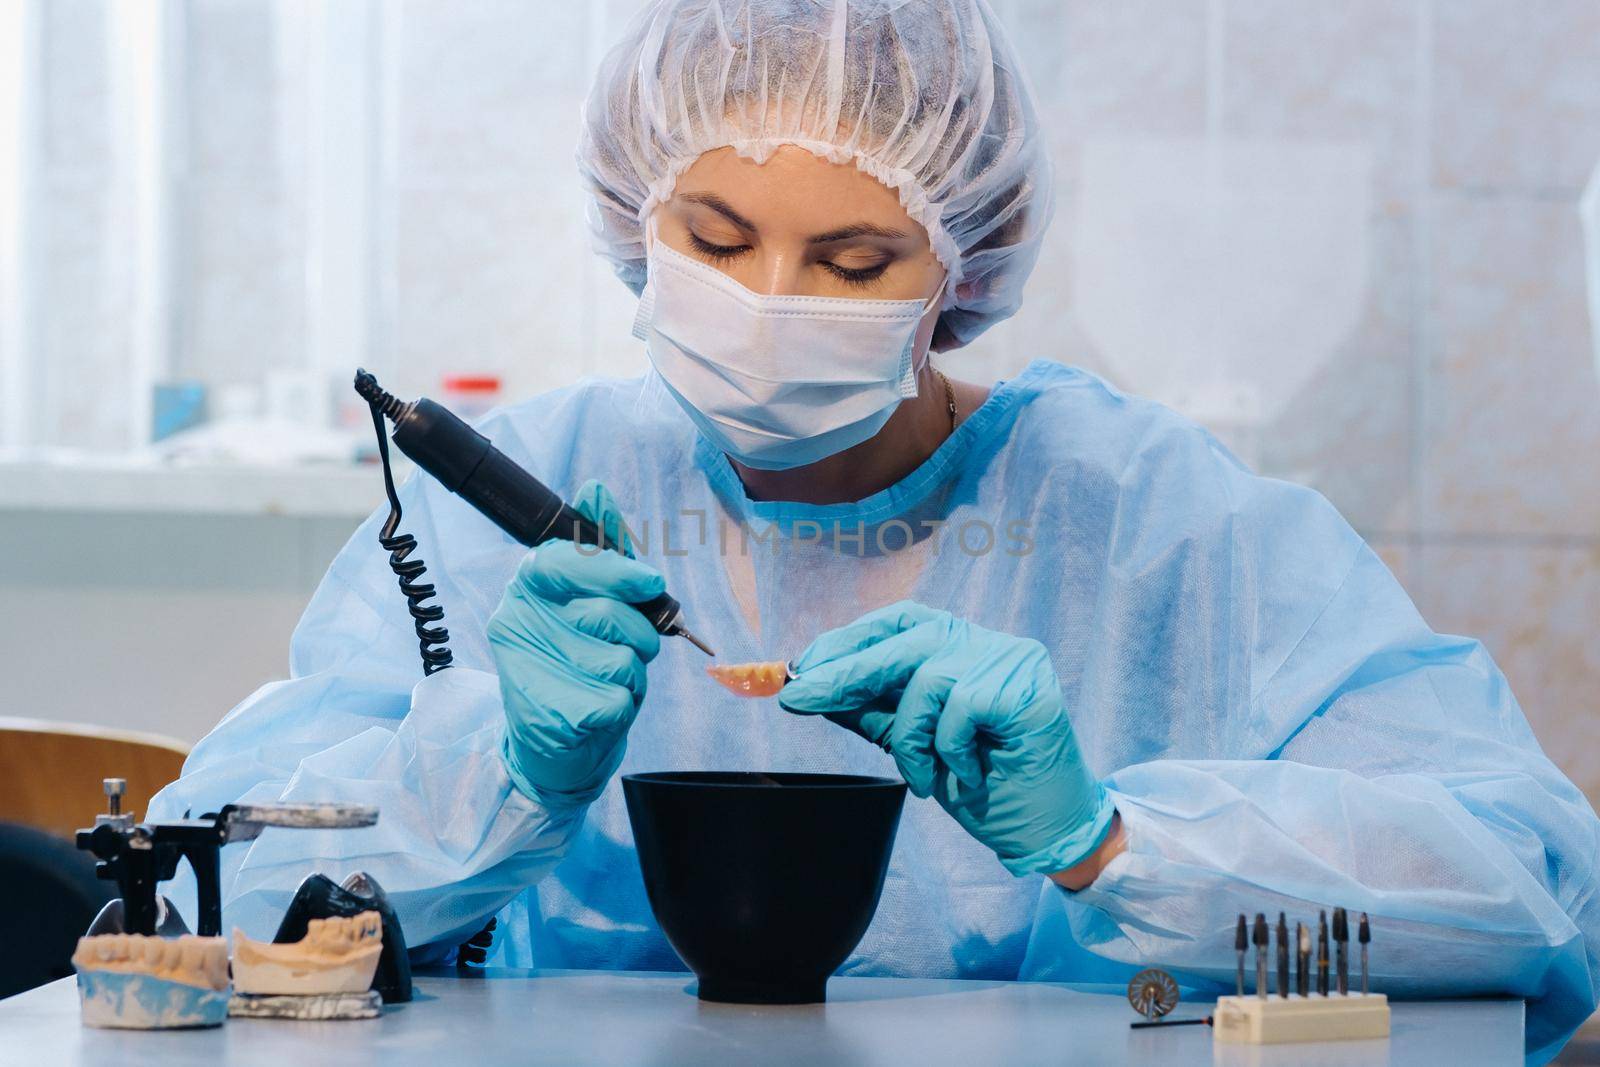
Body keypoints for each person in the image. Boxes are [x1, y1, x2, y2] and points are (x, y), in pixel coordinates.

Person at [149, 1, 1600, 1060]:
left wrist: (1116, 845)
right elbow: (192, 896)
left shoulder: (1155, 525)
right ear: (633, 219)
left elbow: (1533, 893)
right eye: (715, 243)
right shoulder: (529, 495)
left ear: (955, 271)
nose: (770, 302)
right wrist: (490, 779)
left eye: (850, 262)